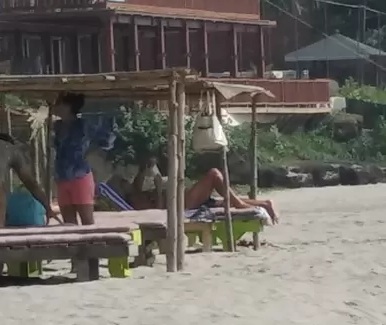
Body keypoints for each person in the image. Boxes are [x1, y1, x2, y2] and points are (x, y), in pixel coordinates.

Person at [128, 159, 277, 224]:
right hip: (184, 205)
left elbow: (138, 182)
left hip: (185, 198)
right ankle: (239, 204)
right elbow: (159, 211)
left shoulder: (137, 191)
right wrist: (160, 189)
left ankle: (264, 203)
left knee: (225, 200)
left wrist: (145, 169)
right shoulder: (136, 202)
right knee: (214, 174)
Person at [53, 92, 115, 225]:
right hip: (62, 177)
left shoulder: (83, 125)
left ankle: (91, 245)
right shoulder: (57, 126)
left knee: (87, 221)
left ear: (68, 106)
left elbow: (107, 139)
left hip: (80, 176)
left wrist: (88, 153)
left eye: (59, 103)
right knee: (68, 223)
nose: (56, 106)